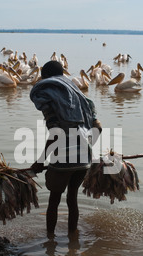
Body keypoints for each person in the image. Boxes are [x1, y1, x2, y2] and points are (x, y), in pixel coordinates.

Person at [30, 61, 102, 238]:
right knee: (72, 199)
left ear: (45, 78)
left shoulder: (52, 103)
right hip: (84, 159)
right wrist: (87, 147)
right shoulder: (82, 101)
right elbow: (98, 127)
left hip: (64, 160)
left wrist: (40, 161)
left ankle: (50, 240)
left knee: (54, 200)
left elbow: (56, 133)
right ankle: (72, 238)